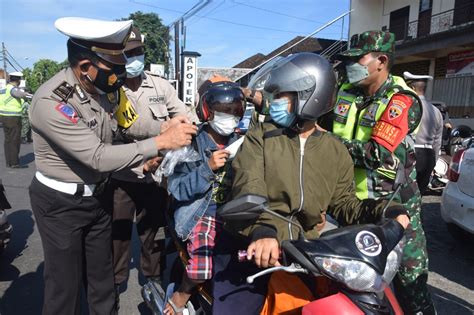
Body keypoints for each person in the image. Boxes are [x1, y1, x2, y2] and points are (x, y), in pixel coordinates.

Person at [212, 53, 410, 314]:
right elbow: (249, 185)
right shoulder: (261, 136)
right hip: (254, 247)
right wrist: (264, 231)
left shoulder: (335, 150)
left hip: (306, 254)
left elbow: (345, 203)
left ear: (308, 96)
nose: (274, 103)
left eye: (281, 96)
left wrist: (385, 210)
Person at [28, 17, 197, 315]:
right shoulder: (51, 102)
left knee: (103, 281)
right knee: (64, 287)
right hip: (61, 204)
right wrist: (161, 143)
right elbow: (98, 156)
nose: (120, 74)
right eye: (113, 67)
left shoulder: (106, 90)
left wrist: (156, 141)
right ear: (84, 66)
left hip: (99, 196)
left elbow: (123, 131)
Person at [326, 31, 435, 314]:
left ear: (381, 61)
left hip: (393, 208)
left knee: (410, 285)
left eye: (356, 59)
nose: (349, 66)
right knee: (356, 282)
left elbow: (378, 154)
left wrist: (325, 142)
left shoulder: (401, 101)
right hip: (351, 206)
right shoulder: (346, 92)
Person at [107, 26, 198, 305]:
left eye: (138, 52)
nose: (135, 58)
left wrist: (181, 124)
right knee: (118, 232)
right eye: (128, 53)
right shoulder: (111, 88)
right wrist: (143, 158)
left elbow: (186, 115)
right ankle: (115, 280)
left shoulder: (160, 85)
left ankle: (153, 276)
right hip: (122, 172)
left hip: (157, 173)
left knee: (154, 230)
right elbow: (106, 138)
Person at [166, 80, 245, 315]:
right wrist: (207, 168)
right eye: (223, 111)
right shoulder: (190, 143)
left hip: (235, 215)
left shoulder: (242, 141)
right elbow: (177, 188)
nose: (228, 117)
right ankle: (182, 294)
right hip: (201, 215)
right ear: (208, 111)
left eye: (234, 112)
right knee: (202, 270)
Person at [404, 71, 443, 194]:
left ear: (412, 88)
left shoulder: (408, 107)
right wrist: (433, 162)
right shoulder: (436, 111)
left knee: (404, 193)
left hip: (410, 152)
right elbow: (438, 141)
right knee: (420, 193)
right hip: (428, 155)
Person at [0, 71, 30, 168]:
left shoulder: (4, 89)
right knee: (14, 140)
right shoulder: (13, 90)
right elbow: (23, 95)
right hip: (13, 118)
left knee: (8, 140)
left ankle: (9, 162)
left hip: (4, 117)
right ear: (18, 80)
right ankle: (14, 163)